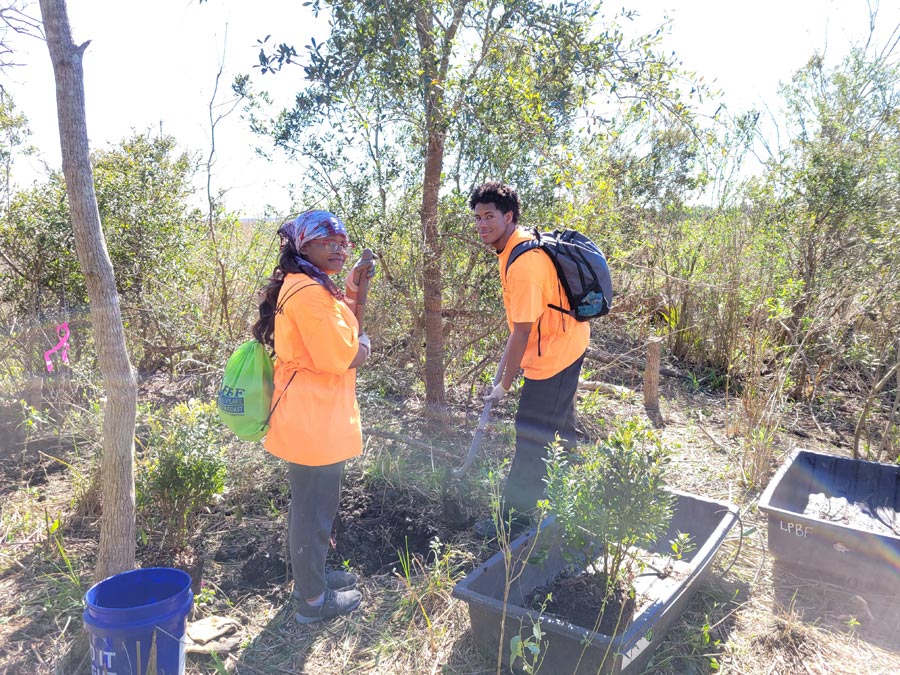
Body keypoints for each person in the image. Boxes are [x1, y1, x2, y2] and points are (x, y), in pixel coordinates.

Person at [251, 209, 375, 623]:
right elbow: (341, 354)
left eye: (344, 242)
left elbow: (343, 328)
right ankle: (311, 602)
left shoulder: (309, 284)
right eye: (329, 242)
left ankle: (312, 580)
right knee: (313, 511)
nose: (339, 249)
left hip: (310, 416)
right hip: (313, 421)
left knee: (311, 507)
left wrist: (355, 289)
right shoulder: (308, 292)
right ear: (304, 246)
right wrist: (365, 349)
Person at [469, 181, 589, 534]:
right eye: (477, 217)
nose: (482, 224)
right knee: (559, 429)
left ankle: (511, 525)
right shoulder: (513, 247)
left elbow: (521, 332)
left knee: (531, 439)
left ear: (509, 217)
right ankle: (568, 505)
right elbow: (521, 330)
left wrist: (503, 386)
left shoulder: (524, 263)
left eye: (489, 216)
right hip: (565, 342)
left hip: (555, 354)